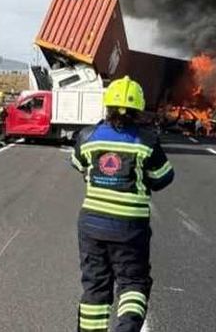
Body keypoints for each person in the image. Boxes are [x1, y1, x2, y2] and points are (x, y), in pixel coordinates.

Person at [71, 76, 174, 332]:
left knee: (95, 285)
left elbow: (77, 164)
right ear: (138, 110)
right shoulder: (147, 141)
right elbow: (164, 178)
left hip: (91, 224)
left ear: (107, 106)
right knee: (133, 284)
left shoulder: (88, 136)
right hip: (130, 228)